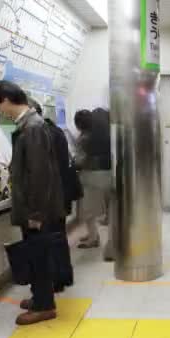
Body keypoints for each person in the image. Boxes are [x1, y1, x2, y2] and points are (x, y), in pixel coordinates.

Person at [0, 81, 64, 325]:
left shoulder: (32, 128)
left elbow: (39, 174)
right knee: (35, 254)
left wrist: (35, 213)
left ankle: (44, 306)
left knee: (39, 256)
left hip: (36, 209)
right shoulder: (30, 125)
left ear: (6, 100)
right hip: (34, 207)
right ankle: (39, 297)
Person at [28, 98, 76, 292]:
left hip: (49, 195)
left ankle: (54, 279)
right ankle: (63, 276)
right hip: (61, 192)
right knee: (59, 235)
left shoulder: (41, 134)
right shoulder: (56, 130)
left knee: (48, 238)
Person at [74, 109, 113, 256]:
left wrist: (73, 164)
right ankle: (112, 242)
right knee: (110, 212)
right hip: (107, 175)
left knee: (88, 210)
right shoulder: (105, 134)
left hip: (91, 177)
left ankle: (93, 237)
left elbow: (80, 160)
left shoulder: (83, 138)